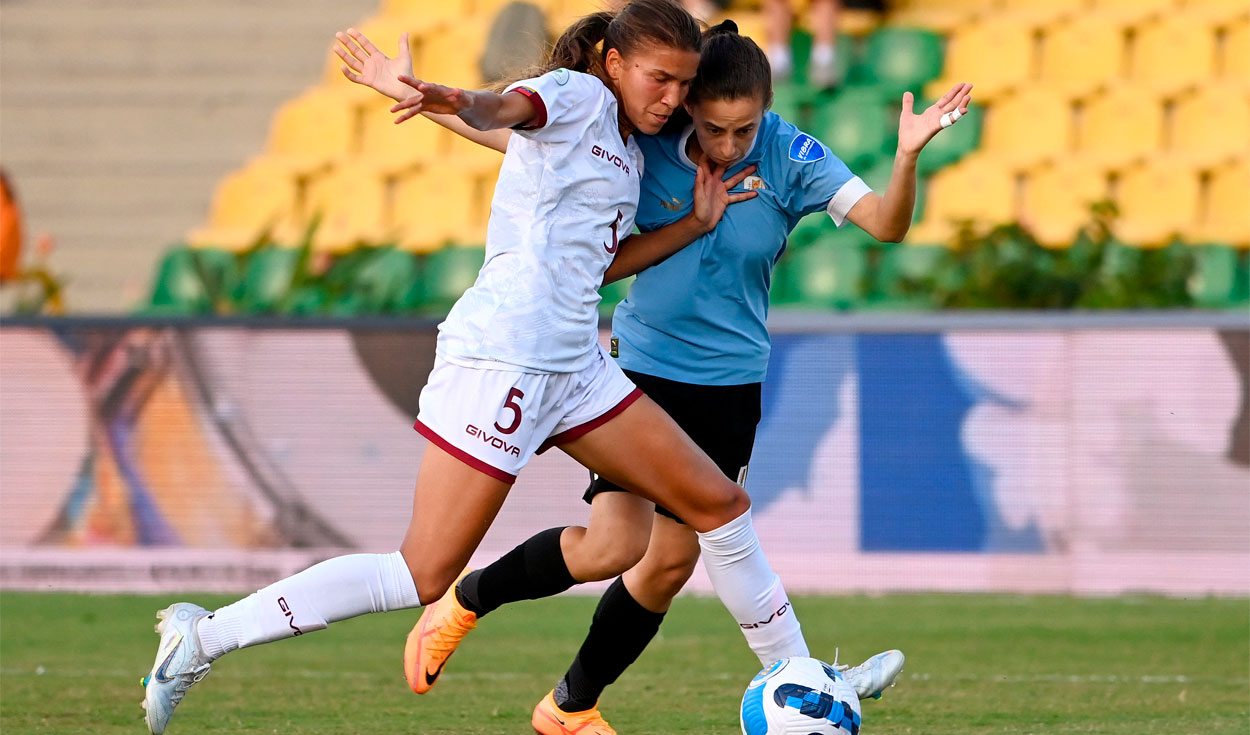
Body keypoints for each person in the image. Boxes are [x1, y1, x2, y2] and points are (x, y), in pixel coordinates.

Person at [141, 3, 837, 734]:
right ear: (614, 65)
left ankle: (801, 679)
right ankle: (204, 636)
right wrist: (446, 96)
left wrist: (692, 227)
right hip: (504, 358)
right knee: (419, 573)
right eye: (659, 79)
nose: (672, 99)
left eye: (682, 83)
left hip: (575, 363)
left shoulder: (632, 150)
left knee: (718, 504)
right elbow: (509, 106)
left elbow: (599, 263)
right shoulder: (579, 95)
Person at [336, 17, 972, 735]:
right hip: (639, 370)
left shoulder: (793, 155)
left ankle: (567, 707)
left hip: (730, 383)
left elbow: (886, 224)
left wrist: (908, 156)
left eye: (744, 130)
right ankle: (466, 600)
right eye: (712, 128)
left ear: (765, 111)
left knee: (663, 567)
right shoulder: (647, 140)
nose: (727, 146)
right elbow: (519, 137)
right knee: (619, 545)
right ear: (690, 106)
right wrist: (432, 102)